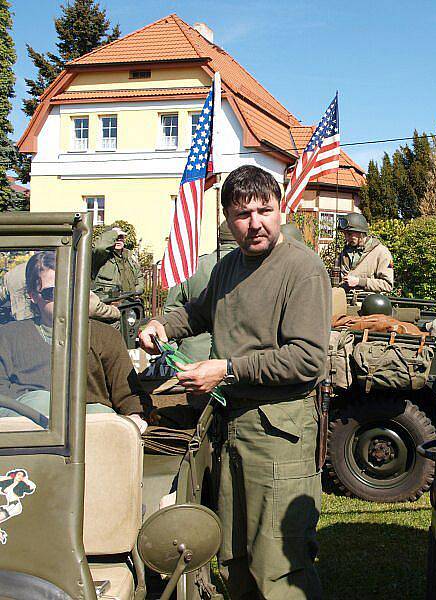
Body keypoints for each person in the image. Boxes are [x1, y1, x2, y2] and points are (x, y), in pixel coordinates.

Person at [138, 165, 331, 599]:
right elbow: (198, 312)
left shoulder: (302, 270)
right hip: (232, 430)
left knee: (279, 566)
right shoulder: (229, 267)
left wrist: (225, 370)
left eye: (265, 209)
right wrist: (163, 326)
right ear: (227, 218)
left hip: (278, 437)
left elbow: (306, 360)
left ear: (280, 209)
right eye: (243, 214)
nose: (255, 223)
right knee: (236, 559)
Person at [0, 251, 150, 428]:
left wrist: (136, 418)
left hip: (91, 435)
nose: (65, 298)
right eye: (53, 292)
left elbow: (129, 395)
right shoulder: (8, 336)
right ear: (33, 295)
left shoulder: (105, 336)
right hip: (29, 437)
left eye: (70, 289)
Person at [163, 222, 239, 363]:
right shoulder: (251, 267)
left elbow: (171, 308)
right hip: (235, 357)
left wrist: (173, 349)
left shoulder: (193, 267)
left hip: (192, 356)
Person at [334, 212, 394, 293]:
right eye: (344, 234)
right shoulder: (345, 253)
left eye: (350, 234)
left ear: (361, 233)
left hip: (368, 303)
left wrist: (360, 281)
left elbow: (387, 285)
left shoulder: (381, 252)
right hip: (343, 301)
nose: (346, 238)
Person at [91, 226, 144, 298]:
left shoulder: (129, 257)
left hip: (128, 303)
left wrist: (137, 291)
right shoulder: (101, 257)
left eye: (121, 237)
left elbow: (138, 275)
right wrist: (114, 233)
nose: (118, 240)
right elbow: (100, 247)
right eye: (116, 238)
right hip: (108, 303)